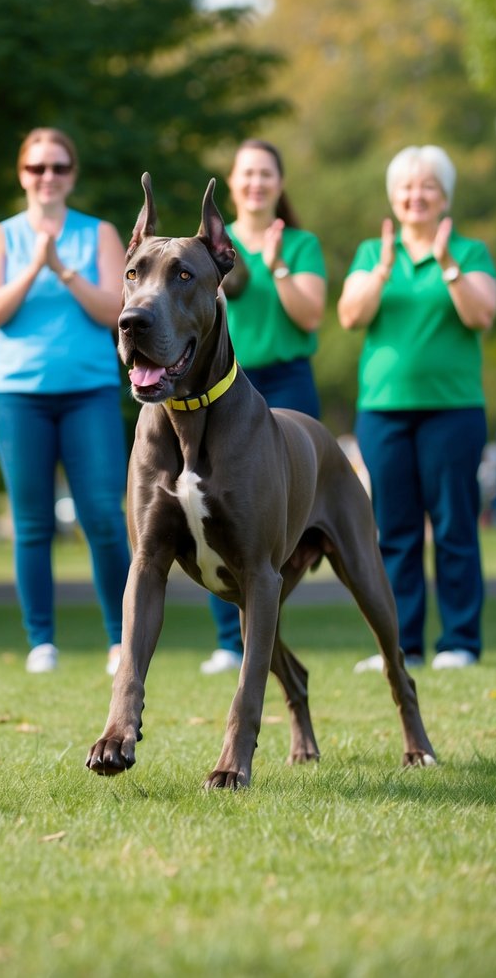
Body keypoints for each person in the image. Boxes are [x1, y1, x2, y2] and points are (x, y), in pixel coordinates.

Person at [0, 127, 131, 675]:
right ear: (22, 174)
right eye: (37, 167)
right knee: (32, 521)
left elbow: (116, 311)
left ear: (72, 174)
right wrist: (34, 265)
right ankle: (41, 641)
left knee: (104, 517)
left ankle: (122, 640)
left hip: (89, 392)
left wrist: (63, 268)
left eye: (58, 167)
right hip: (16, 395)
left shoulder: (100, 234)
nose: (48, 177)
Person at [338, 144, 496, 672]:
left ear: (444, 196)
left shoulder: (470, 252)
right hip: (384, 412)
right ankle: (399, 645)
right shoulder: (372, 253)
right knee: (394, 531)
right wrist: (384, 268)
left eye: (428, 185)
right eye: (407, 187)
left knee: (454, 526)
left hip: (453, 411)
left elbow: (481, 315)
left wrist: (448, 264)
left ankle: (460, 641)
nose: (417, 195)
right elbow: (350, 315)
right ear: (394, 197)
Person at [200, 139, 327, 674]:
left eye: (265, 174)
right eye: (247, 173)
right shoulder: (211, 244)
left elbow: (311, 315)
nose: (256, 183)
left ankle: (263, 636)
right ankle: (230, 642)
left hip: (287, 384)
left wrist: (276, 267)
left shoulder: (300, 244)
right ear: (232, 182)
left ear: (280, 183)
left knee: (279, 516)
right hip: (225, 389)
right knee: (211, 506)